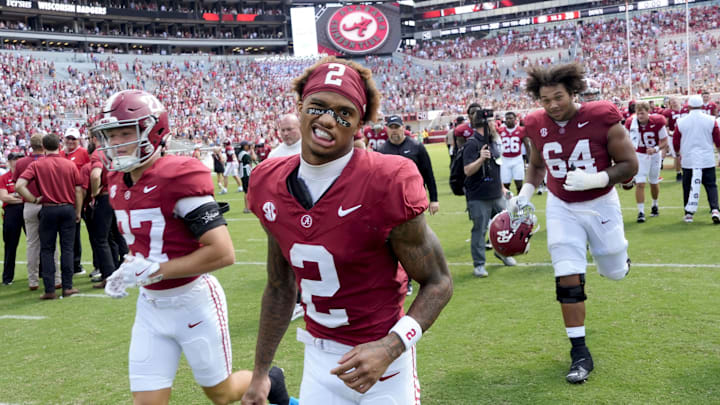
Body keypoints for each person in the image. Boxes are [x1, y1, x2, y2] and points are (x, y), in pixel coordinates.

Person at [242, 57, 453, 405]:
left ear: (359, 125)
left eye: (344, 113)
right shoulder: (268, 181)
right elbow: (280, 286)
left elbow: (439, 281)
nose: (328, 119)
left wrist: (392, 345)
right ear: (300, 108)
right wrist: (261, 373)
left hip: (384, 366)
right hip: (318, 363)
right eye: (318, 107)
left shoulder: (387, 181)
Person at [91, 89, 291, 405]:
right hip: (150, 307)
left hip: (193, 302)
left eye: (125, 133)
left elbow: (223, 251)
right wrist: (128, 268)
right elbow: (147, 242)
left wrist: (157, 269)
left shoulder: (178, 174)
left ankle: (270, 381)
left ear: (153, 131)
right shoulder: (116, 180)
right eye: (110, 135)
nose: (115, 143)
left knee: (222, 394)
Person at [514, 62, 638, 383]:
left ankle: (620, 261)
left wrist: (597, 177)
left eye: (559, 97)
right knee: (567, 276)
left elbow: (629, 165)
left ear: (573, 92)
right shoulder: (536, 123)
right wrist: (526, 193)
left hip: (600, 203)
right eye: (545, 100)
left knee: (613, 271)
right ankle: (579, 351)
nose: (553, 105)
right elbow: (538, 166)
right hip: (561, 205)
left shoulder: (600, 115)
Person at [15, 133, 83, 300]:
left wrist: (32, 199)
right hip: (67, 207)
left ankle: (49, 289)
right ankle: (67, 286)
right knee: (67, 248)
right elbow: (78, 190)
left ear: (43, 147)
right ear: (60, 146)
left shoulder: (37, 165)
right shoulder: (69, 164)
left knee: (47, 249)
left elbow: (19, 185)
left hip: (48, 208)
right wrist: (78, 210)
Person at [463, 103, 517, 278]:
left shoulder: (493, 141)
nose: (496, 125)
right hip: (478, 195)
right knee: (480, 230)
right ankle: (479, 264)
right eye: (493, 122)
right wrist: (480, 160)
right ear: (485, 124)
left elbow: (496, 167)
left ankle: (502, 253)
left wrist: (502, 188)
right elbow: (467, 170)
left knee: (504, 226)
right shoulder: (472, 143)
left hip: (496, 193)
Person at [14, 133, 61, 290]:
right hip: (48, 203)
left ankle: (33, 280)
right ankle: (56, 278)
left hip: (30, 204)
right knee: (51, 243)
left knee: (32, 244)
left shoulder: (21, 163)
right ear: (44, 145)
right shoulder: (50, 161)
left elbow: (17, 183)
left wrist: (32, 198)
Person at [379, 115, 439, 216]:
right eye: (391, 127)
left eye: (397, 127)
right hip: (391, 201)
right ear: (387, 129)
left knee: (416, 230)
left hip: (414, 198)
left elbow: (428, 174)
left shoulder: (416, 147)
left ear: (403, 128)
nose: (394, 131)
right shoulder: (382, 151)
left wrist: (434, 199)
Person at [674, 94, 720, 224]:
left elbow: (676, 141)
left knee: (688, 186)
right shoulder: (711, 120)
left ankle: (689, 213)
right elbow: (718, 140)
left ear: (688, 106)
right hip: (706, 158)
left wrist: (677, 153)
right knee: (711, 185)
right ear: (701, 105)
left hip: (689, 159)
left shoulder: (681, 121)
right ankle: (715, 209)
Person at [625, 101, 668, 222]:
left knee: (653, 181)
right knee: (640, 183)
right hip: (639, 154)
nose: (640, 116)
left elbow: (665, 141)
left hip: (654, 155)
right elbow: (625, 140)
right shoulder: (631, 123)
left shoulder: (657, 122)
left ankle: (655, 204)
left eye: (642, 113)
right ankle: (641, 211)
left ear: (648, 112)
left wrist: (655, 149)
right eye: (638, 113)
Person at [63, 127, 90, 276]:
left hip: (83, 197)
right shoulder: (61, 154)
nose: (70, 141)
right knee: (72, 234)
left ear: (78, 140)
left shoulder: (84, 153)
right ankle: (74, 264)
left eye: (73, 138)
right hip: (67, 198)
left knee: (94, 233)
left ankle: (99, 265)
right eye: (69, 138)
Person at [0, 153, 25, 285]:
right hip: (11, 212)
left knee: (35, 242)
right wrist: (21, 197)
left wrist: (13, 196)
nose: (17, 162)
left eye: (20, 159)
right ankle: (7, 277)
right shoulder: (4, 177)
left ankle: (42, 272)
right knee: (10, 245)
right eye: (15, 159)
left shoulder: (27, 175)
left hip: (26, 209)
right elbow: (4, 197)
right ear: (9, 162)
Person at [498, 111, 529, 194]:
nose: (508, 120)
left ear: (515, 119)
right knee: (505, 185)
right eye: (507, 119)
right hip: (505, 160)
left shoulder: (521, 130)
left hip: (517, 159)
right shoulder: (500, 131)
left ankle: (520, 203)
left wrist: (529, 161)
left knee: (519, 184)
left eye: (511, 118)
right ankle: (507, 204)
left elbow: (527, 146)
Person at [662, 97, 688, 182]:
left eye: (675, 100)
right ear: (670, 103)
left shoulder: (686, 109)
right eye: (672, 101)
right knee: (677, 155)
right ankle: (678, 173)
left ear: (679, 101)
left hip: (685, 134)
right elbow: (666, 124)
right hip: (673, 135)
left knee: (686, 153)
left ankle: (687, 170)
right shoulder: (668, 112)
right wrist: (668, 131)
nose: (674, 102)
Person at [238, 141, 253, 213]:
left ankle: (248, 207)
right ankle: (247, 207)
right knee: (247, 191)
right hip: (245, 173)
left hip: (245, 172)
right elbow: (252, 159)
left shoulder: (242, 153)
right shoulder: (244, 154)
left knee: (247, 190)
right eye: (248, 145)